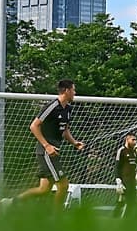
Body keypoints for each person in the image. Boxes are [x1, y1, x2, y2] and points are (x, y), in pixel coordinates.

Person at [7, 79, 84, 210]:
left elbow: (65, 130)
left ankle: (10, 203)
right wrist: (47, 146)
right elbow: (33, 126)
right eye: (73, 90)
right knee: (63, 184)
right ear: (67, 91)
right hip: (46, 151)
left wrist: (74, 142)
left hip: (55, 150)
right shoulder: (52, 106)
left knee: (44, 189)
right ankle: (57, 217)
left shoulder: (68, 109)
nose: (75, 93)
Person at [114, 131, 137, 218]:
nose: (135, 142)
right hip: (124, 181)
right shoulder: (121, 150)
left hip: (132, 181)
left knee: (132, 202)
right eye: (133, 140)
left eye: (135, 140)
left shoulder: (134, 151)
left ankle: (127, 220)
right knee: (120, 202)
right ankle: (114, 218)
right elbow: (117, 166)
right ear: (127, 139)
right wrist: (118, 180)